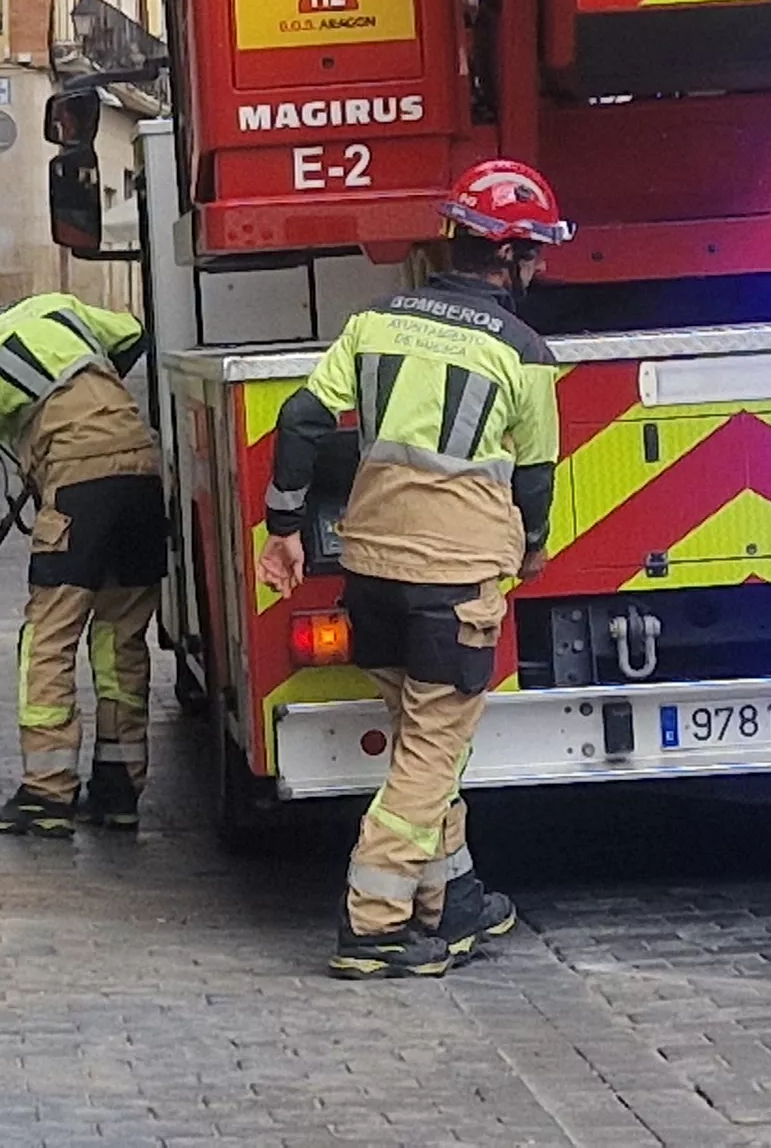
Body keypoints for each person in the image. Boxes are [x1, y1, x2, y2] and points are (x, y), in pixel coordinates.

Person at [256, 160, 570, 979]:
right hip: (455, 574)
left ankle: (453, 898)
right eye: (533, 253)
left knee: (426, 741)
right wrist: (532, 544)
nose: (536, 269)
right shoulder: (525, 353)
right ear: (509, 255)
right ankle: (375, 924)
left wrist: (284, 526)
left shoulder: (375, 320)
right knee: (432, 751)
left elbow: (300, 417)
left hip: (370, 566)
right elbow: (534, 475)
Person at [0, 260, 168, 838]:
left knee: (47, 640)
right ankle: (118, 791)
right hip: (141, 471)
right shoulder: (53, 307)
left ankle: (46, 793)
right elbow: (135, 334)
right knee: (119, 642)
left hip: (79, 486)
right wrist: (84, 406)